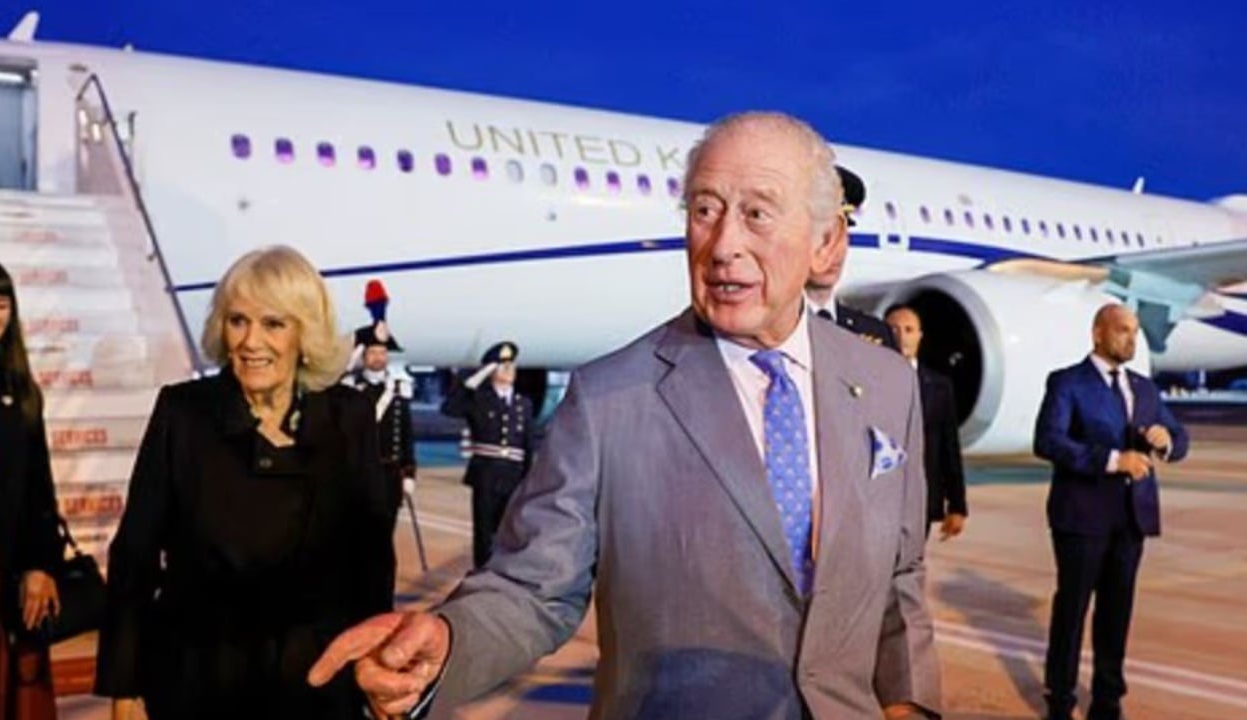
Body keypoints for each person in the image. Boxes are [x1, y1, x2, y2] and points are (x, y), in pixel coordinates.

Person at [310, 112, 941, 719]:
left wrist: (908, 702)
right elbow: (533, 588)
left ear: (826, 243)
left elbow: (900, 574)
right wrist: (450, 642)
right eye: (704, 211)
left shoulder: (886, 383)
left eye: (756, 214)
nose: (723, 245)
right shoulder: (609, 399)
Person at [94, 246, 394, 720]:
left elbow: (371, 557)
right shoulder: (183, 413)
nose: (252, 342)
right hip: (201, 677)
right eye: (238, 321)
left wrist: (377, 662)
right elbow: (136, 553)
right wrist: (125, 684)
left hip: (317, 679)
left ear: (305, 333)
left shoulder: (349, 417)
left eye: (273, 324)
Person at [1034, 303, 1188, 720]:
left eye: (1134, 331)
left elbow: (1179, 437)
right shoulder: (1068, 382)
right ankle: (1060, 699)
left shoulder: (1145, 388)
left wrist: (1167, 442)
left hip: (1131, 518)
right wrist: (1113, 461)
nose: (1130, 339)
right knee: (1072, 612)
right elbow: (1048, 441)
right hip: (1082, 516)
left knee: (1116, 614)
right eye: (1122, 330)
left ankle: (1107, 699)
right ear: (1098, 333)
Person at [0, 253, 64, 720]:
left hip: (5, 582)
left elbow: (38, 490)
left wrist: (40, 565)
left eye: (1, 304)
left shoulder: (20, 392)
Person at [439, 341, 533, 568]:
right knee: (484, 532)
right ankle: (482, 573)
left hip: (514, 475)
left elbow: (527, 445)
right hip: (486, 475)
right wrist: (476, 379)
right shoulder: (479, 399)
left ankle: (505, 573)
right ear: (490, 369)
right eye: (502, 365)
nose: (508, 369)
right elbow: (450, 408)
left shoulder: (523, 403)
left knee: (510, 530)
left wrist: (529, 480)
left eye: (511, 365)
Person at [884, 303, 967, 539]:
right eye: (893, 329)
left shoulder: (938, 386)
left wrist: (957, 505)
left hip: (921, 497)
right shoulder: (867, 379)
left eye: (909, 330)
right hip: (879, 496)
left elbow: (948, 446)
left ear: (919, 336)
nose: (901, 336)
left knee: (913, 560)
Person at [804, 165, 899, 350]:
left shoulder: (876, 334)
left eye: (842, 231)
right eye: (821, 234)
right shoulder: (762, 329)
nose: (832, 246)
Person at [342, 327, 416, 528]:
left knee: (386, 528)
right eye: (372, 352)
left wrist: (409, 473)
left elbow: (406, 434)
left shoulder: (399, 388)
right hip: (358, 473)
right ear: (363, 356)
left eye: (382, 353)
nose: (378, 358)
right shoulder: (349, 386)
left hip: (390, 473)